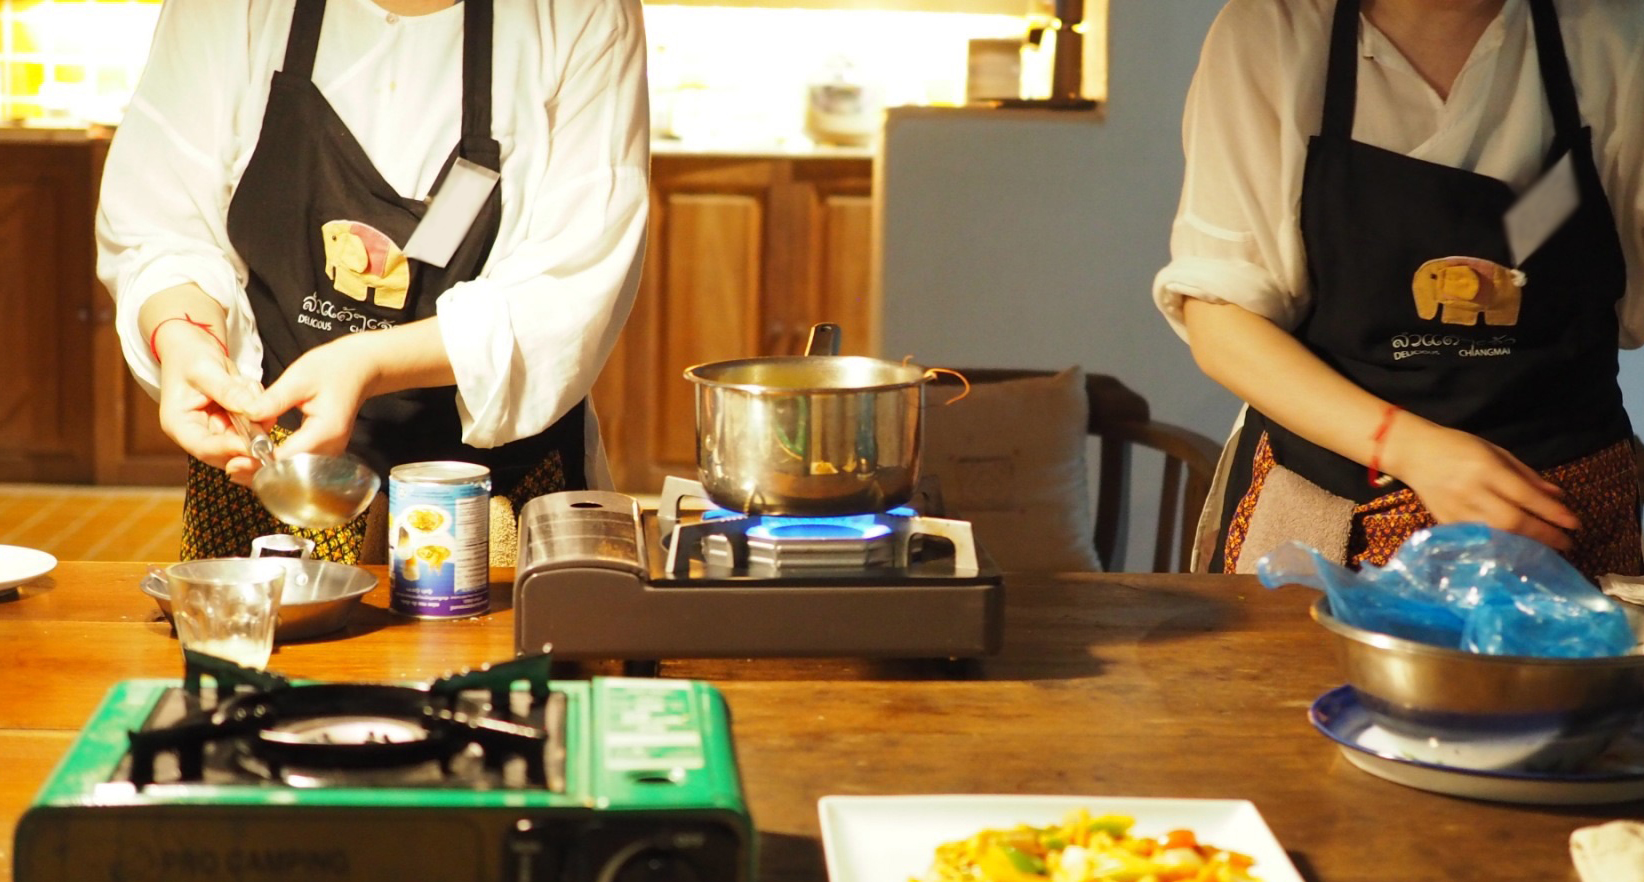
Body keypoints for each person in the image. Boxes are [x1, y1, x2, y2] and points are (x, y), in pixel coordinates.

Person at [97, 0, 649, 562]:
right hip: (271, 471)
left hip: (488, 496)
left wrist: (368, 362)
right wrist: (185, 338)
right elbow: (160, 223)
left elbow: (567, 290)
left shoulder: (579, 12)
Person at [1152, 0, 1644, 580]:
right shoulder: (1275, 29)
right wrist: (1411, 448)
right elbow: (1222, 316)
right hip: (1331, 520)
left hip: (1564, 520)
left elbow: (1543, 243)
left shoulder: (1612, 32)